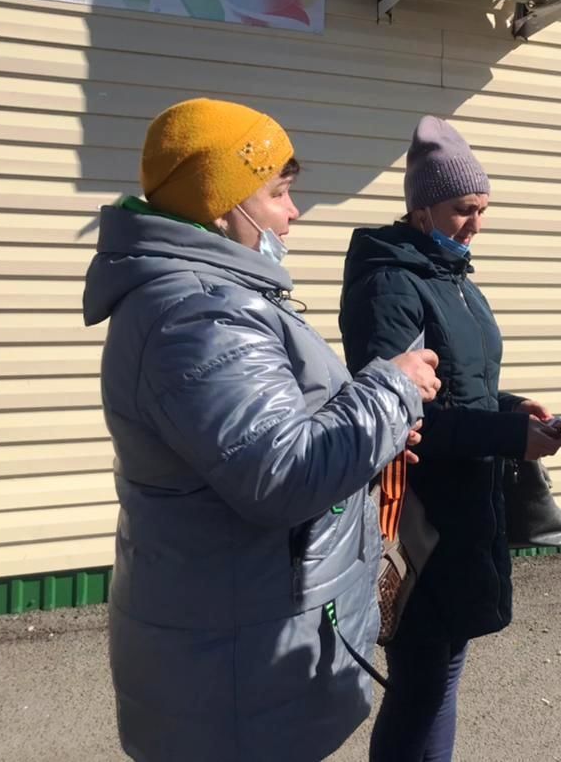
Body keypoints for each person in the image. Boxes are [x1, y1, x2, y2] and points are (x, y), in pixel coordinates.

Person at [82, 98, 439, 762]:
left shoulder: (211, 299)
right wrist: (394, 389)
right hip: (235, 677)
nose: (292, 213)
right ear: (222, 204)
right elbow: (283, 474)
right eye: (277, 193)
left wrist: (373, 428)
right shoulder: (197, 316)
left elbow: (272, 438)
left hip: (237, 649)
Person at [338, 115, 561, 762]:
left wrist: (515, 408)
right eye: (464, 208)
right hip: (422, 518)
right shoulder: (391, 286)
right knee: (421, 683)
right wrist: (510, 435)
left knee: (439, 676)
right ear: (421, 207)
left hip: (466, 508)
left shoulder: (452, 278)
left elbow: (462, 389)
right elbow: (407, 420)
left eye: (482, 209)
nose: (476, 223)